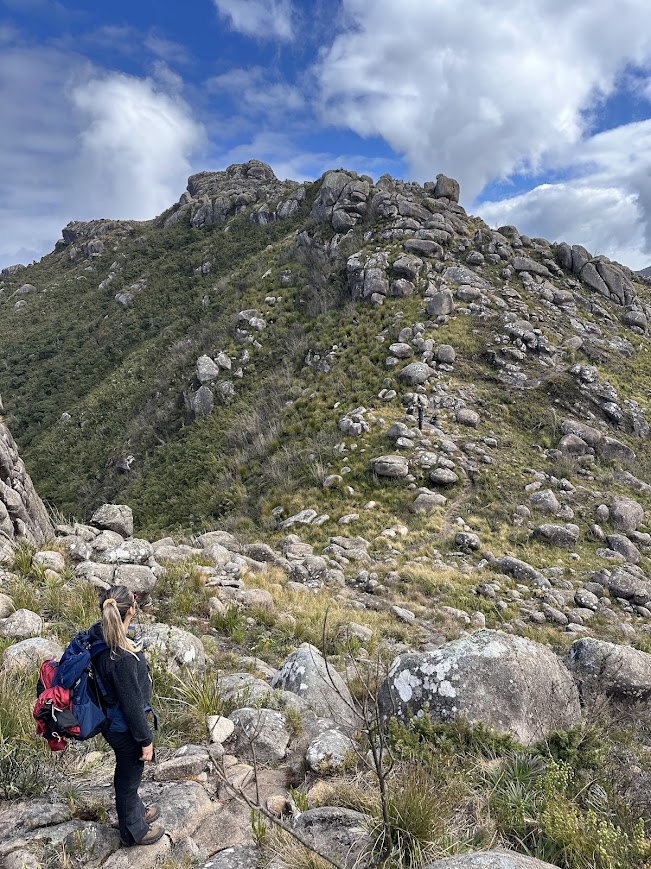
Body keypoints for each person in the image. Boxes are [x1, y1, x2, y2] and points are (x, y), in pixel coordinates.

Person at [88, 585, 164, 847]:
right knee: (129, 776)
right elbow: (131, 706)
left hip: (110, 720)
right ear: (131, 609)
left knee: (129, 772)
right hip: (123, 728)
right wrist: (145, 740)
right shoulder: (122, 657)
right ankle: (134, 831)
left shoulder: (99, 637)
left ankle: (137, 810)